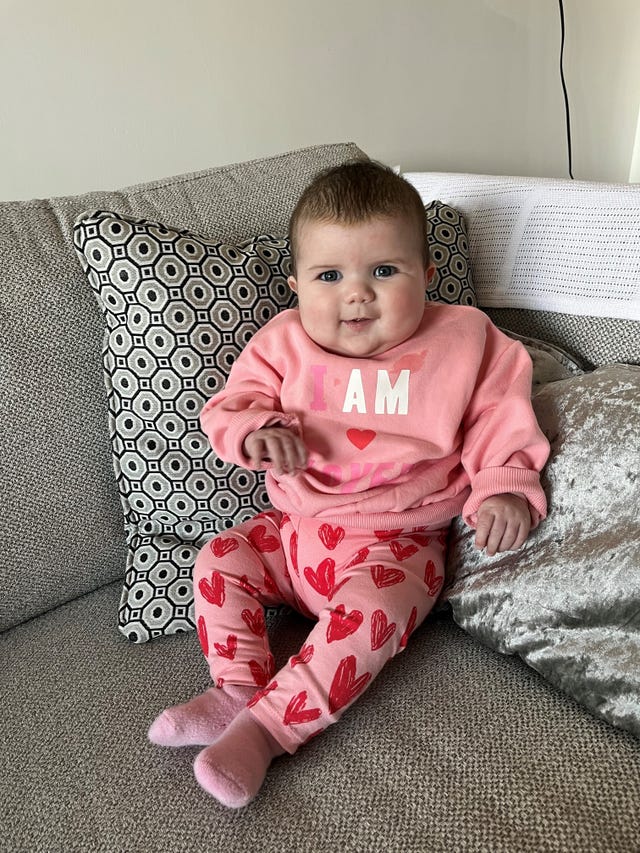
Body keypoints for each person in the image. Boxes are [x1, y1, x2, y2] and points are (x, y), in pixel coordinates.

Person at [148, 161, 550, 808]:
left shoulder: (468, 340)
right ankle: (235, 689)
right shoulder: (282, 343)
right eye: (329, 276)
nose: (356, 294)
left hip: (396, 545)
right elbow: (231, 404)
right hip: (293, 533)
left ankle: (268, 730)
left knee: (376, 617)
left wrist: (503, 485)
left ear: (428, 275)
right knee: (220, 555)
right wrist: (255, 431)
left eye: (384, 271)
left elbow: (501, 417)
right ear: (296, 287)